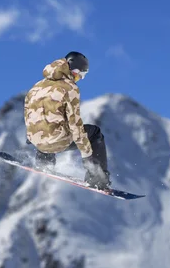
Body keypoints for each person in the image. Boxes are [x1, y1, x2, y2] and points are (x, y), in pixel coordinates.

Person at [23, 51, 111, 190]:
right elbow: (75, 124)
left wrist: (31, 136)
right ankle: (98, 178)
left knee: (49, 125)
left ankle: (44, 164)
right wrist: (87, 156)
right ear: (74, 71)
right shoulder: (70, 88)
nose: (80, 79)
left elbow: (30, 113)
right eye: (81, 75)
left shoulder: (36, 86)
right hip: (57, 141)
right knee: (95, 133)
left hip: (37, 142)